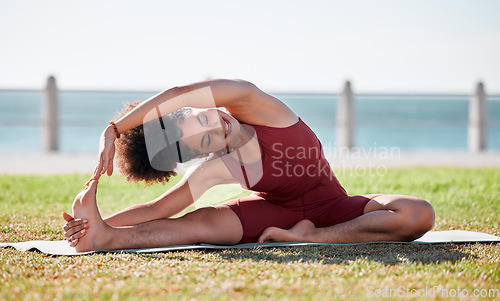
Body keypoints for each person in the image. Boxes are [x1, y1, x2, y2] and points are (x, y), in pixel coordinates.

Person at [62, 79, 435, 252]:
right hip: (277, 215)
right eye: (207, 141)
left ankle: (310, 238)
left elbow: (175, 94)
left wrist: (114, 129)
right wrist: (99, 223)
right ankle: (108, 239)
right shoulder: (220, 166)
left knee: (418, 214)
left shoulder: (252, 102)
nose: (219, 128)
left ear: (195, 108)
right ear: (203, 154)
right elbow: (159, 209)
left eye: (204, 120)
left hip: (334, 207)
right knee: (202, 222)